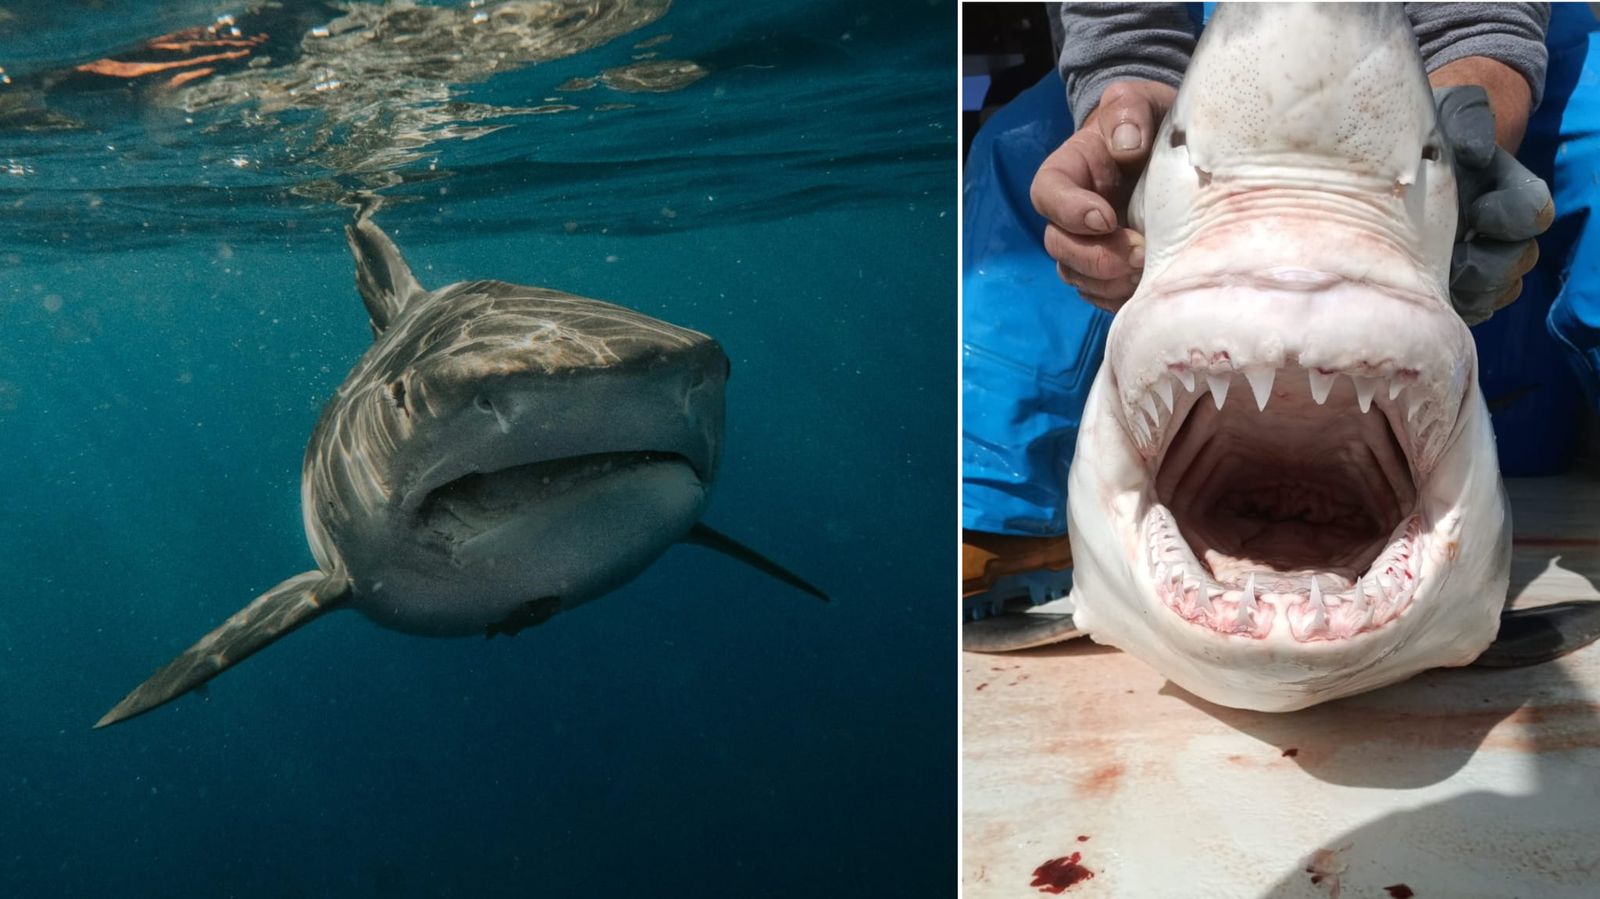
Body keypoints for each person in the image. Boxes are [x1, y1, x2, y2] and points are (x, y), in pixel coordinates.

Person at [964, 3, 1562, 634]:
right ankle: (1005, 513)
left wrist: (1469, 120)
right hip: (1195, 41)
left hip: (1449, 53)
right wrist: (1126, 82)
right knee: (1021, 146)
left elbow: (1480, 19)